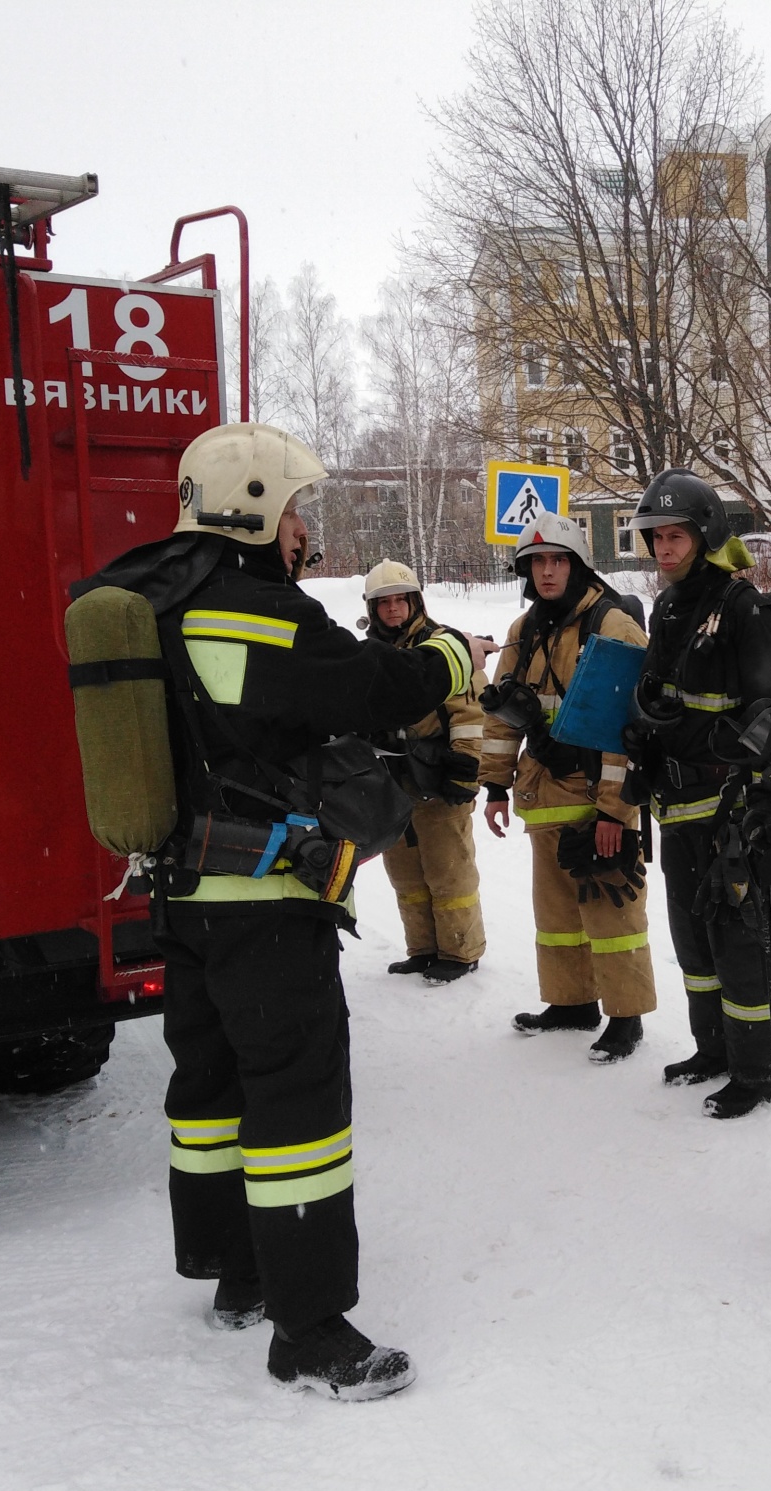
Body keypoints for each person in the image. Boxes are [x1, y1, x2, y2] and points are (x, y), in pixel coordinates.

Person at [75, 422, 491, 1401]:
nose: (303, 526)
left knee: (211, 1090)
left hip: (183, 900)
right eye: (294, 506)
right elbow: (367, 688)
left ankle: (236, 1274)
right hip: (261, 902)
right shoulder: (245, 609)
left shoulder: (156, 600)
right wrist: (449, 661)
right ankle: (309, 1332)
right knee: (296, 1108)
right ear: (255, 507)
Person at [621, 470, 771, 1118]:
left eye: (677, 537)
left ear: (706, 537)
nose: (665, 549)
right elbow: (660, 698)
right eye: (657, 538)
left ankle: (761, 1069)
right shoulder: (669, 608)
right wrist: (646, 736)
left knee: (743, 938)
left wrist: (755, 798)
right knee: (694, 939)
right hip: (678, 811)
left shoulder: (744, 608)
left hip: (731, 811)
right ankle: (715, 1048)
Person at [478, 513, 657, 1061]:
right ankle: (571, 1002)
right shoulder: (522, 632)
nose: (548, 571)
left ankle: (625, 1015)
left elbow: (626, 736)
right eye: (538, 561)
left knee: (610, 911)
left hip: (595, 796)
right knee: (555, 914)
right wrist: (495, 787)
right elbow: (503, 715)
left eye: (558, 560)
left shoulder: (613, 628)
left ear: (578, 565)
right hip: (544, 791)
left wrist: (614, 814)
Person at [358, 557, 488, 986]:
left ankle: (459, 950)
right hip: (394, 782)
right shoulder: (370, 655)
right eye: (384, 603)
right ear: (372, 608)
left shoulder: (442, 647)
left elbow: (469, 712)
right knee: (406, 872)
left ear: (416, 602)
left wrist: (464, 770)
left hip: (437, 774)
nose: (393, 609)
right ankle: (423, 948)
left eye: (401, 600)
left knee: (449, 869)